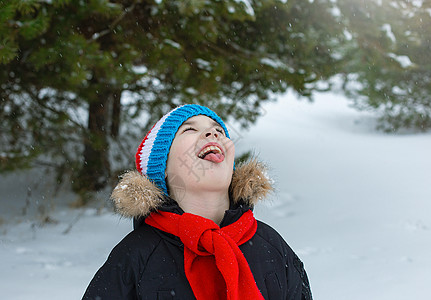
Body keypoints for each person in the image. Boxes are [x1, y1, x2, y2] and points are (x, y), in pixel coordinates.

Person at [83, 104, 312, 300]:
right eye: (190, 129)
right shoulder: (136, 256)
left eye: (219, 131)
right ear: (162, 168)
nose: (213, 135)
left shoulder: (271, 246)